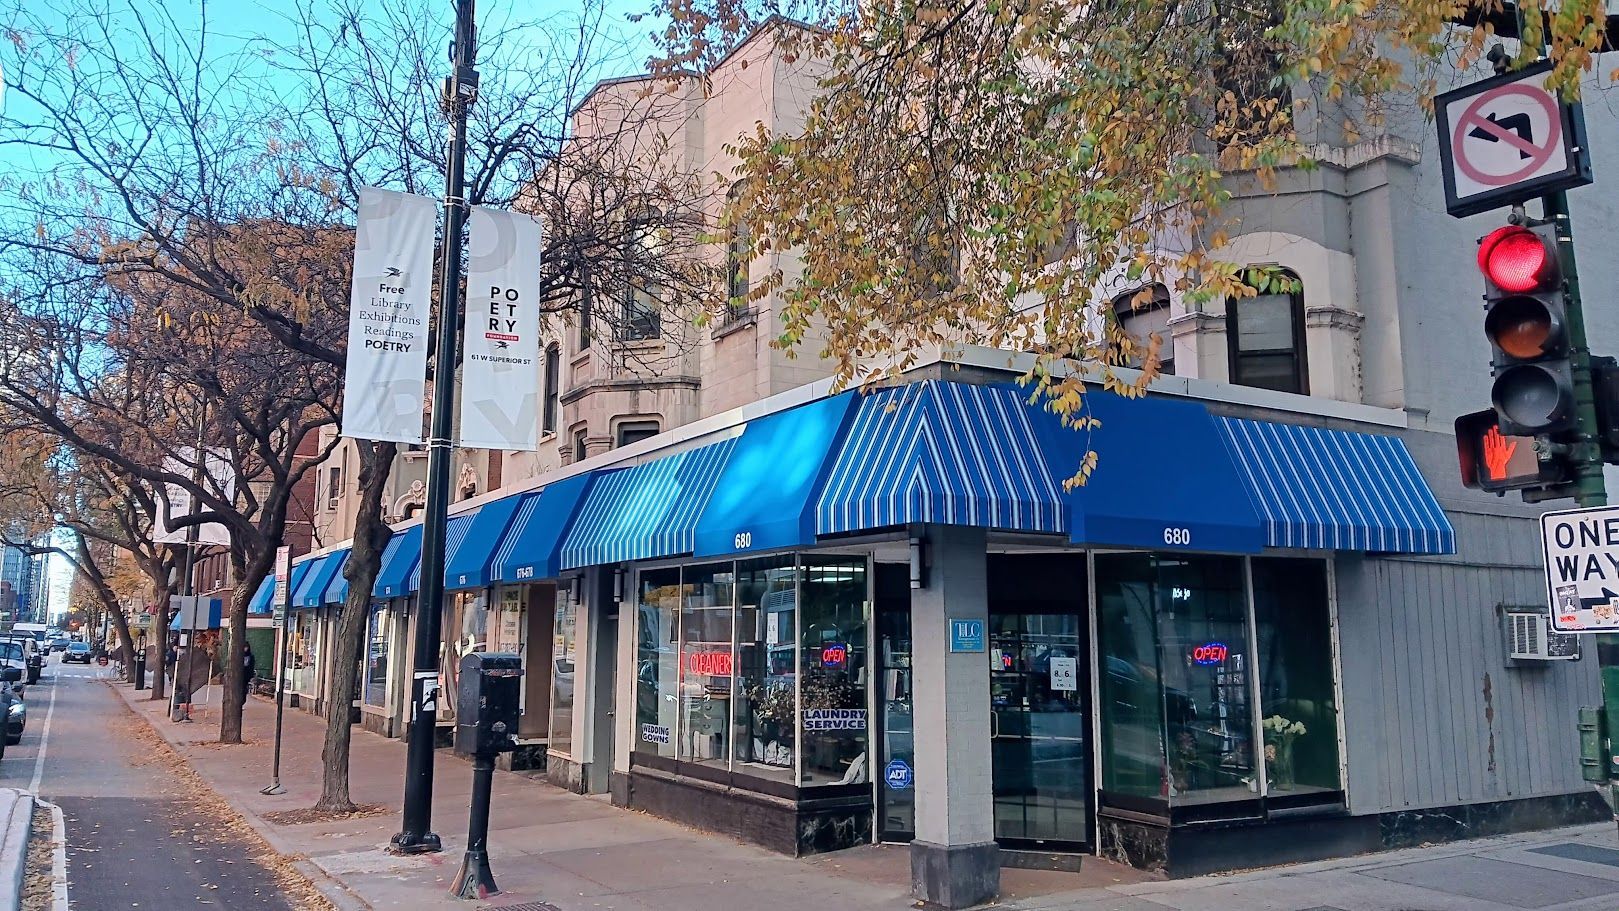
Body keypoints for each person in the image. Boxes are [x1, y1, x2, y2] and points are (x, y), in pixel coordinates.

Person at [239, 643, 255, 710]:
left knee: (244, 690)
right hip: (239, 676)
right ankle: (238, 704)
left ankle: (241, 703)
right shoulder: (239, 655)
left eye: (246, 647)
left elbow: (251, 666)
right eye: (244, 647)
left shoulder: (250, 656)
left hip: (246, 676)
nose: (245, 649)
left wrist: (250, 675)